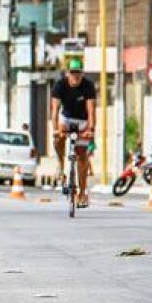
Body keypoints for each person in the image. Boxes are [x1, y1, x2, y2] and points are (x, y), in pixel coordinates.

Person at [50, 57, 96, 207]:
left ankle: (82, 193)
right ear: (68, 73)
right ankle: (61, 164)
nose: (75, 76)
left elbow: (91, 110)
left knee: (82, 155)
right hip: (67, 119)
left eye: (78, 73)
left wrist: (91, 129)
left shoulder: (88, 85)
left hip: (82, 121)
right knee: (59, 137)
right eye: (73, 72)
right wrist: (56, 129)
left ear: (82, 73)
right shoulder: (60, 85)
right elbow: (55, 110)